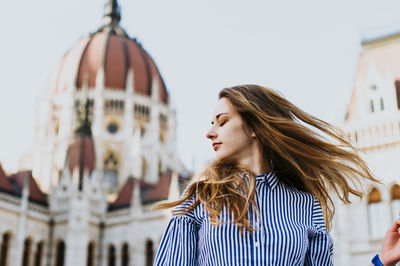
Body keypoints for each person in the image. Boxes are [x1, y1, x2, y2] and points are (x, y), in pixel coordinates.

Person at [154, 85, 400, 265]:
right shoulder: (199, 198)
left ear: (253, 127)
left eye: (223, 122)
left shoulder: (304, 203)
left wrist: (381, 261)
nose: (209, 132)